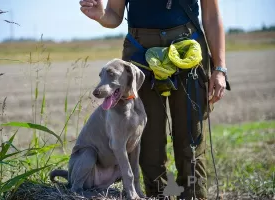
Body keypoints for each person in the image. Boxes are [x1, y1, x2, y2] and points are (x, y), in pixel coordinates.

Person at [79, 0, 227, 199]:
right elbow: (114, 13)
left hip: (189, 51)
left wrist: (219, 68)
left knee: (191, 140)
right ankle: (157, 196)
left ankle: (193, 195)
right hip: (140, 57)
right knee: (148, 143)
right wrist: (102, 15)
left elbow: (211, 15)